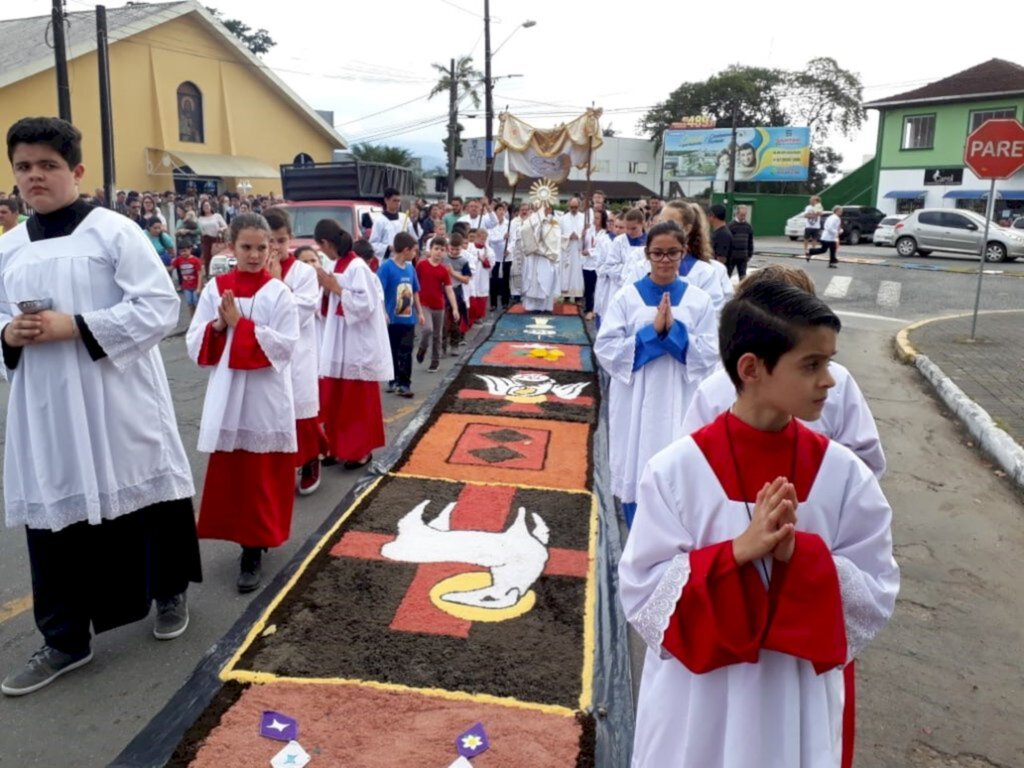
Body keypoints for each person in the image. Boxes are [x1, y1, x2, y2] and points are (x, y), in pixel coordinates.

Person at [619, 279, 899, 767]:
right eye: (812, 365)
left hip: (793, 694)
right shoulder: (676, 471)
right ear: (751, 368)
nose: (829, 380)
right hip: (699, 697)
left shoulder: (842, 474)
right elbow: (644, 594)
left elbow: (875, 591)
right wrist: (735, 553)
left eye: (829, 362)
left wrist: (799, 557)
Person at [0, 117, 200, 697]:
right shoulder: (8, 247)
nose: (34, 176)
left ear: (76, 172)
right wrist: (10, 334)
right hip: (46, 404)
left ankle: (168, 592)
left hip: (116, 393)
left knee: (146, 491)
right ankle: (65, 639)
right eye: (24, 167)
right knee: (54, 510)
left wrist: (76, 326)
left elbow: (161, 306)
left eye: (48, 165)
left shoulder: (113, 232)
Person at [683, 263, 886, 478]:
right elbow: (692, 464)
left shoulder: (839, 382)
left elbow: (865, 463)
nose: (826, 381)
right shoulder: (715, 387)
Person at [187, 213, 298, 593]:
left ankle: (255, 546)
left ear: (271, 249)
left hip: (265, 396)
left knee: (261, 475)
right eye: (246, 247)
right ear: (231, 248)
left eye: (261, 247)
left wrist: (240, 325)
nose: (254, 255)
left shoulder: (278, 292)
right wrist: (218, 326)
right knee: (236, 475)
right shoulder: (217, 288)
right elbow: (194, 340)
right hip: (228, 392)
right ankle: (243, 539)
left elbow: (285, 346)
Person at [594, 221, 719, 527]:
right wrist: (652, 334)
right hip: (636, 398)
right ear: (646, 255)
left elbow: (710, 351)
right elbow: (606, 348)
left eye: (672, 253)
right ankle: (637, 535)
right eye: (658, 253)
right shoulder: (626, 297)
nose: (665, 260)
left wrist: (673, 334)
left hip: (681, 397)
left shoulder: (698, 300)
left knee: (677, 470)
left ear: (684, 252)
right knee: (637, 467)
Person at [315, 218, 393, 469]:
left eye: (321, 246)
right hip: (339, 342)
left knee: (357, 403)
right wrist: (326, 291)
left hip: (357, 345)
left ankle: (361, 451)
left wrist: (335, 288)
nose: (321, 252)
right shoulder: (337, 263)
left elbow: (365, 304)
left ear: (326, 243)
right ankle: (338, 448)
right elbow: (329, 302)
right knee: (337, 400)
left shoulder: (357, 266)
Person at [264, 207, 327, 496]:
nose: (275, 248)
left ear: (290, 238)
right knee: (271, 416)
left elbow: (299, 313)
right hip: (265, 354)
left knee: (302, 415)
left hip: (298, 353)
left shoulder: (303, 272)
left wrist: (276, 284)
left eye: (280, 240)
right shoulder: (254, 270)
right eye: (269, 241)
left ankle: (311, 458)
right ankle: (277, 468)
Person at [378, 231, 424, 398]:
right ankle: (393, 379)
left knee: (406, 350)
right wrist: (383, 313)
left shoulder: (411, 268)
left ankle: (404, 383)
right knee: (392, 350)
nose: (415, 254)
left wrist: (419, 312)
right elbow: (379, 292)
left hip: (408, 319)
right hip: (392, 319)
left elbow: (415, 291)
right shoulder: (386, 268)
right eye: (414, 251)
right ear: (405, 250)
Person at [415, 235, 460, 373]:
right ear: (430, 249)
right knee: (428, 329)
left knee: (437, 335)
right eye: (436, 249)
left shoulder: (443, 270)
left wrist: (454, 308)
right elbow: (414, 283)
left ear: (445, 252)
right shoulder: (421, 265)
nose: (438, 252)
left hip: (439, 305)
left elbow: (449, 290)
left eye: (441, 249)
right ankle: (422, 347)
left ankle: (435, 361)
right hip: (424, 304)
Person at [516, 203, 562, 312]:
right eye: (540, 207)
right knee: (532, 281)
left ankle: (546, 307)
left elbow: (554, 239)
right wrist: (536, 226)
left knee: (545, 280)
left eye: (545, 207)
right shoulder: (532, 219)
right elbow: (523, 231)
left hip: (545, 257)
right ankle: (531, 307)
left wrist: (541, 246)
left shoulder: (553, 223)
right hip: (533, 255)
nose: (542, 209)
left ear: (550, 209)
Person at [369, 188, 416, 263]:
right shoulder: (379, 221)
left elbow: (413, 238)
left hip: (405, 260)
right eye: (394, 200)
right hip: (388, 261)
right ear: (386, 200)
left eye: (398, 201)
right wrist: (388, 248)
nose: (397, 203)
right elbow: (373, 244)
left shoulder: (404, 218)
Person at [581, 207, 607, 321]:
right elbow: (585, 243)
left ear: (602, 220)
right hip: (587, 264)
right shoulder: (589, 230)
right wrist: (582, 235)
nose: (595, 220)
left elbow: (601, 249)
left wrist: (589, 252)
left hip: (597, 265)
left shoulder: (605, 233)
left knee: (598, 288)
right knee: (588, 289)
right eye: (594, 218)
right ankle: (588, 309)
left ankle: (595, 310)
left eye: (597, 218)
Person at [559, 197, 586, 303]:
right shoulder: (563, 218)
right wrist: (568, 236)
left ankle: (578, 296)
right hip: (567, 249)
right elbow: (558, 234)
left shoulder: (584, 218)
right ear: (568, 206)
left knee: (577, 273)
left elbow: (586, 234)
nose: (574, 209)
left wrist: (579, 236)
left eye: (576, 207)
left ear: (579, 206)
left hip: (578, 250)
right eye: (572, 207)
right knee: (567, 273)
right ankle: (566, 296)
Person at [465, 227, 492, 324]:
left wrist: (484, 260)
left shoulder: (488, 249)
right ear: (476, 237)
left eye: (484, 239)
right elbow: (466, 258)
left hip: (482, 276)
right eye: (480, 238)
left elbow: (492, 263)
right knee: (472, 294)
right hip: (473, 275)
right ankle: (470, 317)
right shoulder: (469, 247)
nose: (482, 241)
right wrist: (477, 258)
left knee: (481, 294)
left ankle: (479, 316)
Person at [487, 202, 511, 311]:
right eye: (499, 210)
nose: (501, 212)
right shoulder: (491, 224)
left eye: (503, 210)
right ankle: (493, 304)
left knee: (506, 280)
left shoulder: (509, 224)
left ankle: (505, 302)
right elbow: (492, 239)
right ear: (495, 212)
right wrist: (502, 237)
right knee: (494, 280)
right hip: (495, 255)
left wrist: (509, 249)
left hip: (506, 256)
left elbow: (513, 239)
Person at [171, 246, 204, 318]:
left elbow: (200, 274)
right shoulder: (178, 260)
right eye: (181, 251)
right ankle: (192, 321)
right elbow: (171, 268)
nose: (183, 253)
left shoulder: (196, 260)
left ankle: (199, 319)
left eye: (185, 250)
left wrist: (199, 287)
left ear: (190, 249)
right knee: (190, 304)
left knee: (197, 303)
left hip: (195, 286)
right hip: (186, 286)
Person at [197, 198, 228, 275]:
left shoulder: (217, 216)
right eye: (204, 206)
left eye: (207, 205)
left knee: (218, 257)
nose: (206, 207)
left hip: (216, 239)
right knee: (207, 258)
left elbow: (225, 226)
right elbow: (199, 230)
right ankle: (208, 274)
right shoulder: (200, 219)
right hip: (206, 240)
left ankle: (220, 274)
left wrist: (221, 229)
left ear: (211, 206)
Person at [727, 204, 755, 279]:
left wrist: (750, 254)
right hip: (732, 257)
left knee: (743, 277)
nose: (743, 217)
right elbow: (727, 241)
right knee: (727, 275)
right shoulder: (730, 226)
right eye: (741, 215)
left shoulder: (748, 226)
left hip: (743, 256)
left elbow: (750, 241)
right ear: (737, 214)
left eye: (744, 215)